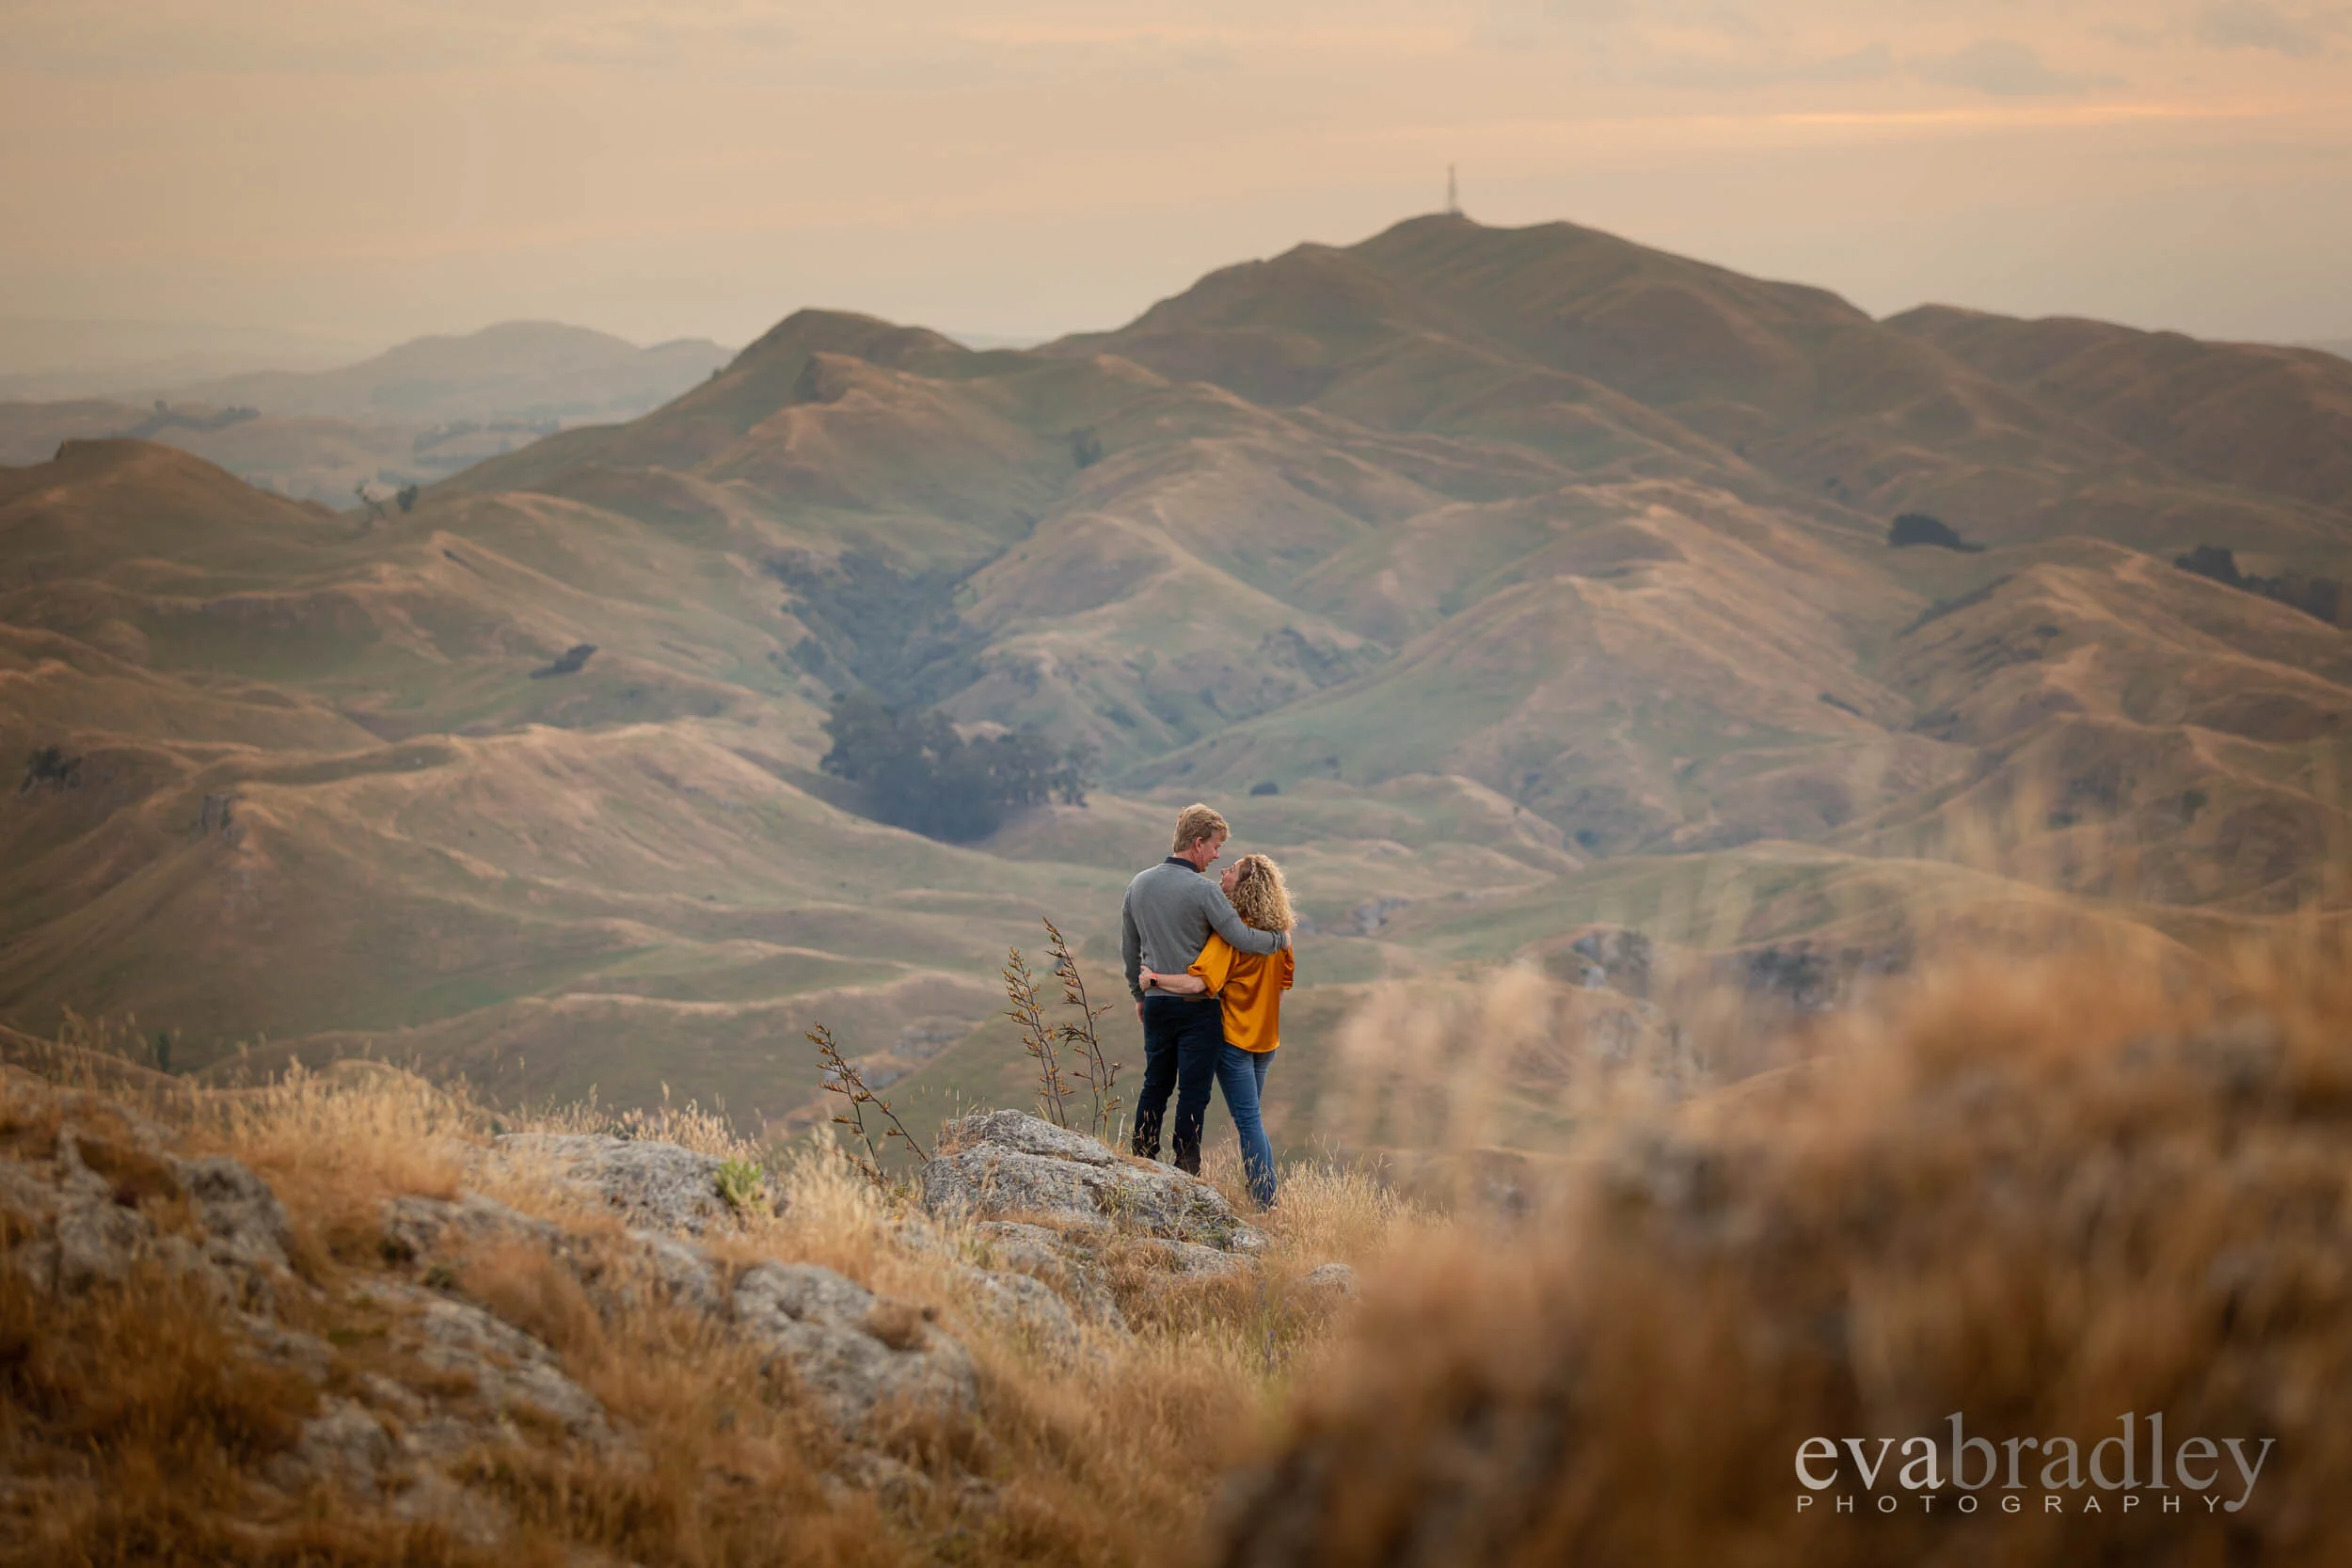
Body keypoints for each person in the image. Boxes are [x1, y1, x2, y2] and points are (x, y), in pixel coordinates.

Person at [1121, 803, 1291, 1173]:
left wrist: (1139, 995)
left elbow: (1129, 949)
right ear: (1197, 843)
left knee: (1155, 1084)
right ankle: (1186, 1166)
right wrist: (1279, 939)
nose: (1216, 856)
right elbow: (1241, 938)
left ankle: (1141, 1157)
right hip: (1198, 1005)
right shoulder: (1204, 891)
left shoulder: (1138, 884)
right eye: (1215, 847)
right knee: (1193, 1091)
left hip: (1157, 1003)